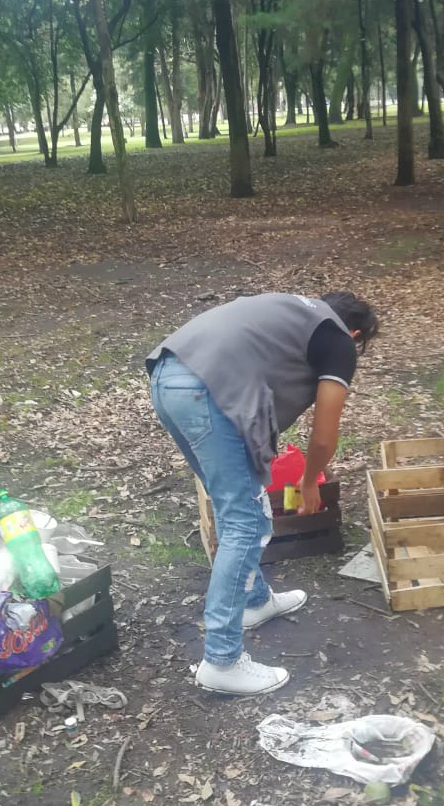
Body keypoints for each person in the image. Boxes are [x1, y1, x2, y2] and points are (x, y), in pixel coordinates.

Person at [147, 291, 379, 697]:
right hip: (206, 392)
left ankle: (255, 602)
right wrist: (309, 481)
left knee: (234, 503)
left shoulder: (294, 312)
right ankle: (221, 660)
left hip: (167, 377)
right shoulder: (337, 338)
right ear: (355, 331)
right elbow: (325, 434)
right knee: (246, 522)